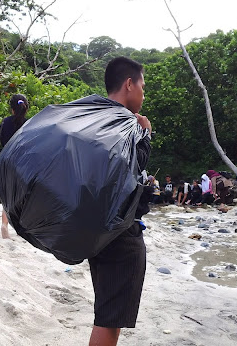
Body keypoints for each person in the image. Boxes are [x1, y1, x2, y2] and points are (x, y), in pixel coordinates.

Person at [87, 56, 152, 346]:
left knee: (107, 312)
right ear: (129, 84)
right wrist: (146, 135)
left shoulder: (91, 118)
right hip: (120, 233)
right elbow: (131, 172)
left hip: (93, 230)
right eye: (142, 86)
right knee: (109, 320)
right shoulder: (129, 125)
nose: (143, 94)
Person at [0, 94, 29, 239]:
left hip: (7, 161)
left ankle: (4, 224)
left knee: (7, 195)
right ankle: (21, 227)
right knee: (21, 195)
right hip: (23, 163)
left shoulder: (4, 122)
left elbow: (2, 141)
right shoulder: (29, 124)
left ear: (12, 109)